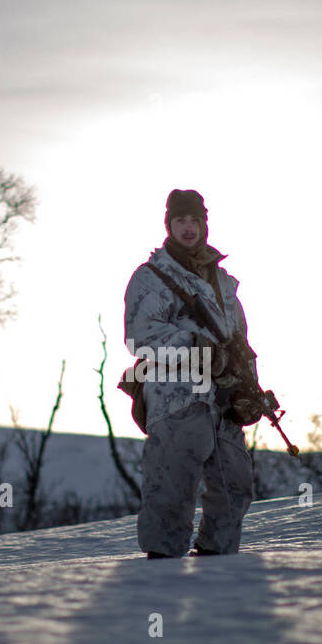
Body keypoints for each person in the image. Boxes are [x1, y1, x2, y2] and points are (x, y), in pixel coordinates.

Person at [123, 188, 262, 559]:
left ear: (204, 224)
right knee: (171, 486)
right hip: (176, 398)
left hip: (222, 399)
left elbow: (239, 341)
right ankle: (162, 569)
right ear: (168, 225)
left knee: (236, 486)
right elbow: (140, 338)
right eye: (180, 221)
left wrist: (251, 387)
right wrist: (195, 345)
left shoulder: (224, 283)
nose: (188, 228)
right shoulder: (151, 277)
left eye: (194, 221)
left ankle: (219, 566)